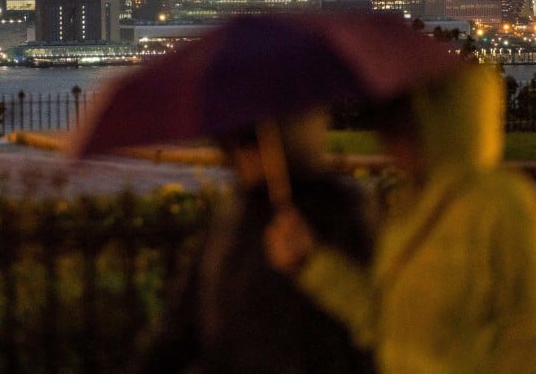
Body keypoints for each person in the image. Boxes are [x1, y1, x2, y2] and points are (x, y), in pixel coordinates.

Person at [264, 64, 536, 373]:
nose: (388, 140)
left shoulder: (500, 206)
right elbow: (386, 322)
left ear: (435, 126)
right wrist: (311, 263)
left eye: (401, 124)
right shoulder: (413, 206)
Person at [133, 109, 376, 374]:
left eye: (248, 140)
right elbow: (181, 326)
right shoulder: (234, 212)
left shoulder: (334, 210)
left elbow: (363, 327)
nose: (237, 155)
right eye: (229, 141)